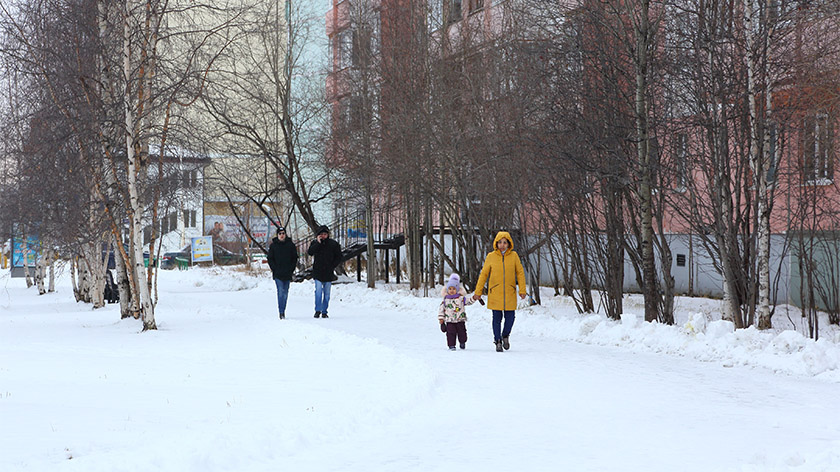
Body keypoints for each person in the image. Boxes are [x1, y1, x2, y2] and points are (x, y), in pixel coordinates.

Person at [473, 231, 527, 352]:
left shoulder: (514, 256)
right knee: (496, 318)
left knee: (510, 318)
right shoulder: (491, 256)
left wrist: (522, 289)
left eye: (505, 242)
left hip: (510, 292)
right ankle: (497, 340)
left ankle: (505, 335)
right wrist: (478, 291)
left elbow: (520, 272)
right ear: (496, 243)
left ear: (509, 244)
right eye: (500, 242)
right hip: (495, 292)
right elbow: (484, 274)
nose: (502, 245)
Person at [307, 225, 342, 318]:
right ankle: (317, 310)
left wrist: (332, 265)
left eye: (325, 234)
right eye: (321, 234)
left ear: (328, 234)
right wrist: (318, 243)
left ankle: (324, 311)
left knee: (327, 294)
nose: (323, 236)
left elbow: (339, 256)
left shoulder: (333, 244)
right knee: (318, 291)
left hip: (328, 272)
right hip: (318, 271)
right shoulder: (315, 243)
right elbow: (310, 252)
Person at [438, 273, 476, 351]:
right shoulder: (445, 300)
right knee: (450, 333)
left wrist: (474, 298)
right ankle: (451, 345)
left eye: (454, 289)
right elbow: (441, 310)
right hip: (449, 320)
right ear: (447, 290)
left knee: (462, 333)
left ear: (457, 290)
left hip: (460, 319)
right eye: (450, 289)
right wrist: (441, 319)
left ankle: (462, 342)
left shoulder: (461, 298)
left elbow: (469, 301)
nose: (452, 291)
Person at [267, 226, 298, 319]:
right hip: (278, 273)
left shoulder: (290, 245)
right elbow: (270, 258)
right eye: (280, 234)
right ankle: (281, 312)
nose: (281, 235)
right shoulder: (273, 245)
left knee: (285, 293)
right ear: (277, 235)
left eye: (283, 233)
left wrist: (291, 269)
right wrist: (274, 269)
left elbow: (294, 258)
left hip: (287, 273)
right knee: (280, 292)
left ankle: (283, 309)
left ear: (285, 234)